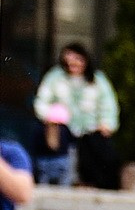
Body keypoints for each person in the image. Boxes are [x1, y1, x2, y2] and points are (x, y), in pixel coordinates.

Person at [34, 44, 119, 191]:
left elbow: (108, 105)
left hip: (90, 130)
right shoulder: (55, 77)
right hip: (63, 128)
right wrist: (49, 116)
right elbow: (42, 102)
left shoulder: (98, 80)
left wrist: (107, 124)